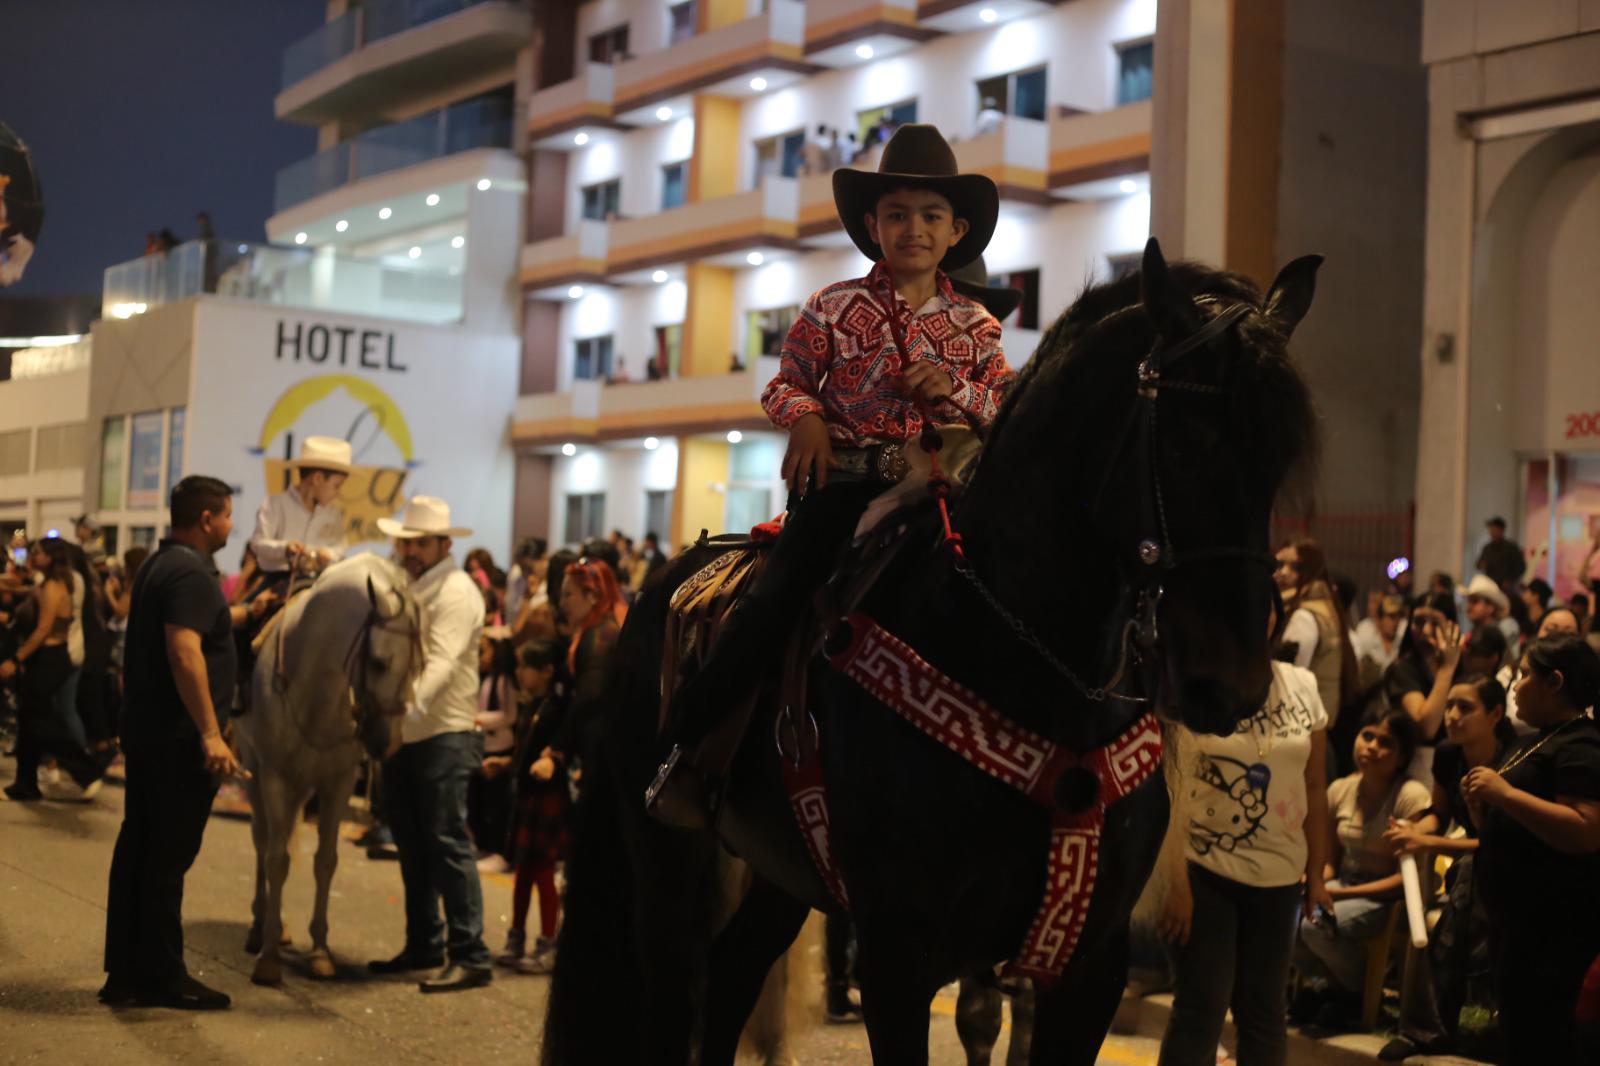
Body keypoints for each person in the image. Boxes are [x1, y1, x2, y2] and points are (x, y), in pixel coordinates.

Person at [651, 123, 1009, 824]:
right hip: (842, 488)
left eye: (931, 216)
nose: (914, 228)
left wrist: (956, 392)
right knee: (771, 604)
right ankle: (686, 749)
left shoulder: (978, 325)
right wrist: (808, 418)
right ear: (873, 226)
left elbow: (1002, 407)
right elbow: (784, 382)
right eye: (898, 214)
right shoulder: (831, 305)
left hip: (937, 490)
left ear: (956, 230)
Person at [101, 476, 268, 1010]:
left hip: (150, 735)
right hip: (177, 743)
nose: (230, 525)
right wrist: (212, 734)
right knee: (166, 861)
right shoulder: (193, 574)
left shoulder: (160, 565)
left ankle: (126, 974)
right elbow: (185, 652)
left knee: (141, 852)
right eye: (225, 516)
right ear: (205, 520)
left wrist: (246, 613)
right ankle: (163, 976)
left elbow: (199, 622)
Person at [1157, 646, 1331, 1066]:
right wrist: (1174, 882)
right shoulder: (1191, 682)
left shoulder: (1302, 684)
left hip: (1280, 878)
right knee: (1201, 1009)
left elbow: (1314, 786)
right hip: (1202, 872)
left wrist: (1317, 874)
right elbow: (1168, 786)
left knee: (1266, 1016)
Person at [368, 496, 494, 992]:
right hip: (415, 731)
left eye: (421, 543)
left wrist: (401, 716)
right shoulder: (416, 586)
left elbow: (441, 664)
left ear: (444, 544)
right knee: (415, 845)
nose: (412, 550)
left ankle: (470, 952)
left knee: (444, 843)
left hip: (443, 732)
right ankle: (425, 943)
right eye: (407, 542)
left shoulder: (456, 592)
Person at [1463, 635, 1600, 1065]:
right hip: (1514, 921)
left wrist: (1502, 795)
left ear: (1554, 682)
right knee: (1519, 1036)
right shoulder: (1536, 739)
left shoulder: (1581, 745)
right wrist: (1483, 809)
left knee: (1542, 1040)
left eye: (1524, 676)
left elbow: (1585, 831)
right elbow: (1513, 828)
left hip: (1553, 927)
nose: (1515, 685)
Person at [1379, 674, 1515, 1060]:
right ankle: (1429, 1027)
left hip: (1510, 865)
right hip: (1471, 864)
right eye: (1450, 706)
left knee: (1465, 879)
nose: (1452, 716)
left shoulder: (1513, 758)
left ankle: (1427, 1029)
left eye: (1465, 708)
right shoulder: (1447, 754)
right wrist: (1412, 829)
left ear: (1495, 715)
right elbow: (1438, 814)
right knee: (1459, 884)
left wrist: (1427, 841)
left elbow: (1500, 841)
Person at [1291, 707, 1431, 1027]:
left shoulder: (1411, 795)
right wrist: (1311, 881)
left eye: (1385, 743)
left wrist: (1334, 895)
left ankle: (1358, 993)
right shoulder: (1340, 789)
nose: (1371, 747)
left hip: (1386, 898)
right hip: (1344, 886)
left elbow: (1402, 882)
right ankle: (1334, 990)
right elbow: (1330, 863)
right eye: (1367, 736)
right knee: (1284, 915)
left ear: (1401, 757)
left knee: (1315, 924)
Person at [487, 638, 568, 974]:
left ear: (547, 671)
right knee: (523, 870)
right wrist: (506, 763)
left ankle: (547, 942)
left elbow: (557, 749)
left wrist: (550, 759)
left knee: (543, 872)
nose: (519, 673)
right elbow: (525, 750)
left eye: (525, 667)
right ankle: (516, 936)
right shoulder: (533, 704)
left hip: (546, 795)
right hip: (528, 794)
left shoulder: (557, 708)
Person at [1, 538, 105, 801]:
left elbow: (43, 629)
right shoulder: (49, 583)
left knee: (40, 720)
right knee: (29, 718)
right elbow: (27, 591)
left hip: (51, 657)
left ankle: (86, 770)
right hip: (48, 656)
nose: (32, 556)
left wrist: (16, 659)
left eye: (37, 553)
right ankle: (25, 784)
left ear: (51, 557)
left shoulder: (56, 585)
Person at [1273, 538, 1359, 730]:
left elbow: (1288, 679)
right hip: (1313, 722)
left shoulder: (1305, 615)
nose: (1283, 573)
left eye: (1295, 567)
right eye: (1279, 564)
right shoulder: (1321, 606)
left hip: (1299, 725)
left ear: (1311, 570)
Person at [248, 435, 351, 590]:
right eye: (337, 486)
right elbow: (257, 543)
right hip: (277, 581)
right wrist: (285, 548)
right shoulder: (275, 504)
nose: (338, 493)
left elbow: (341, 548)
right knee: (257, 610)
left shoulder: (333, 514)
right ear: (317, 478)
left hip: (320, 582)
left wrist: (329, 554)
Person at [558, 556, 626, 776]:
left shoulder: (601, 635)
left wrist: (556, 746)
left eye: (568, 594)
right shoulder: (605, 627)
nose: (562, 604)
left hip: (605, 753)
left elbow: (590, 694)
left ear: (593, 596)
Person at [1475, 515, 1523, 591]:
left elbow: (1521, 567)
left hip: (1505, 587)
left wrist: (1510, 580)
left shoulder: (1511, 547)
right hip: (1490, 585)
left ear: (1501, 530)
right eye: (1490, 529)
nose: (1491, 532)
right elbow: (1478, 564)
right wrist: (1481, 564)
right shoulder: (1487, 548)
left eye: (1494, 529)